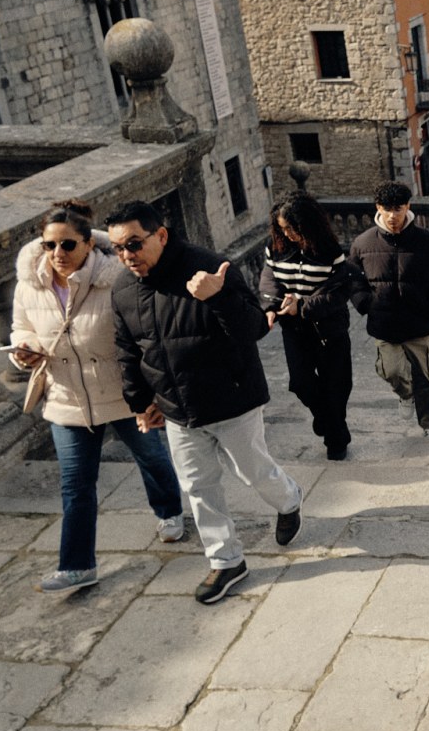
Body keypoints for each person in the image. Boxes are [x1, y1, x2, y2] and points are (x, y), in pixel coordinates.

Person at [106, 201, 302, 605]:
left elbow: (252, 329)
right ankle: (226, 560)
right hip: (178, 411)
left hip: (232, 400)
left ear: (160, 235)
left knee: (254, 473)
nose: (127, 256)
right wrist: (142, 402)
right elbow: (128, 350)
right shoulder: (124, 289)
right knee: (197, 486)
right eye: (118, 248)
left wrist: (217, 297)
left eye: (134, 244)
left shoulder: (210, 267)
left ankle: (288, 499)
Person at [10, 201, 186, 594]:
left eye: (68, 245)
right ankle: (76, 566)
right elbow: (21, 328)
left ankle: (170, 510)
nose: (58, 255)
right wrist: (25, 349)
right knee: (75, 485)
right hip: (66, 397)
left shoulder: (116, 279)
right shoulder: (29, 284)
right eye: (49, 245)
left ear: (89, 245)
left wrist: (150, 392)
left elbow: (141, 334)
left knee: (152, 457)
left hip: (119, 391)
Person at [347, 183, 429, 439]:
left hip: (419, 324)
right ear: (378, 208)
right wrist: (366, 304)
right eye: (387, 209)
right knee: (391, 370)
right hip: (384, 324)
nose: (393, 215)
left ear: (408, 206)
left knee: (427, 379)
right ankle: (405, 394)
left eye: (398, 208)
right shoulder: (363, 244)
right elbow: (353, 281)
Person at [259, 193, 356, 460]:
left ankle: (336, 441)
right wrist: (271, 307)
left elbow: (338, 291)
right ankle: (326, 419)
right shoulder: (275, 247)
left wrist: (302, 305)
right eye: (282, 228)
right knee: (301, 383)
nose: (287, 234)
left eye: (292, 228)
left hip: (330, 330)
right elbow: (269, 279)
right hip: (295, 331)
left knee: (336, 386)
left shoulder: (329, 250)